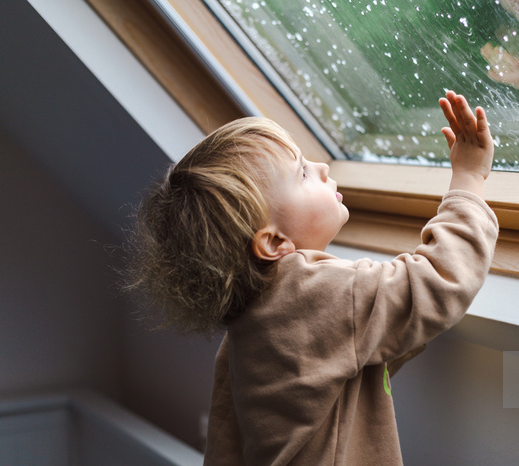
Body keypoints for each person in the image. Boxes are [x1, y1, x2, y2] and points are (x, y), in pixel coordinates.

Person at [127, 90, 499, 465]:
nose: (322, 167)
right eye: (302, 173)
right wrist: (468, 179)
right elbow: (436, 282)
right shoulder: (309, 293)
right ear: (273, 241)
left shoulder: (250, 320)